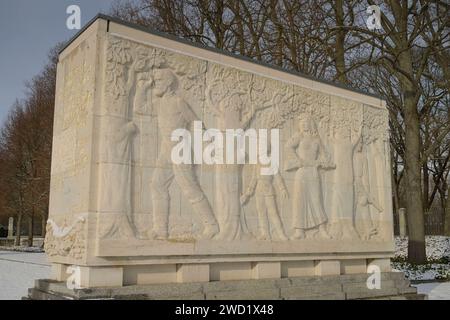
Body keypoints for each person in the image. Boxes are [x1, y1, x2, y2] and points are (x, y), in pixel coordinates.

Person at [149, 68, 219, 240]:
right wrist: (143, 87)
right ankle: (160, 230)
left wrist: (207, 143)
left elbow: (196, 122)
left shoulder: (178, 102)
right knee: (157, 185)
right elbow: (138, 108)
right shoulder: (159, 103)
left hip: (180, 148)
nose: (155, 83)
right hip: (166, 148)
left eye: (158, 80)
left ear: (168, 83)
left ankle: (212, 225)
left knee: (190, 189)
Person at [285, 115, 333, 239]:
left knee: (316, 200)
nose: (304, 124)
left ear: (310, 123)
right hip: (302, 172)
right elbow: (288, 147)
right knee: (300, 200)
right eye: (302, 123)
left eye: (306, 122)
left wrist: (322, 162)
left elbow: (325, 155)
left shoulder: (316, 139)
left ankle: (322, 229)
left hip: (313, 171)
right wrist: (297, 160)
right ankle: (299, 231)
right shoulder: (298, 136)